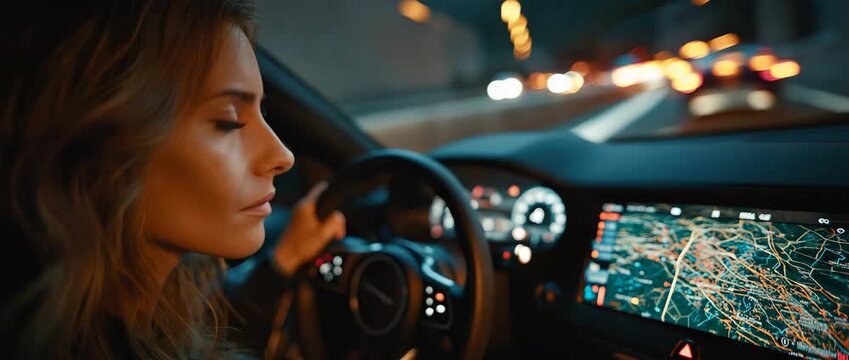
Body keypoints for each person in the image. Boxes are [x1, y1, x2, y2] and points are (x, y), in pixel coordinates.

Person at [0, 0, 346, 358]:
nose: (283, 156)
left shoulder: (152, 315)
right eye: (229, 121)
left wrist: (282, 262)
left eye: (262, 112)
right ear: (105, 143)